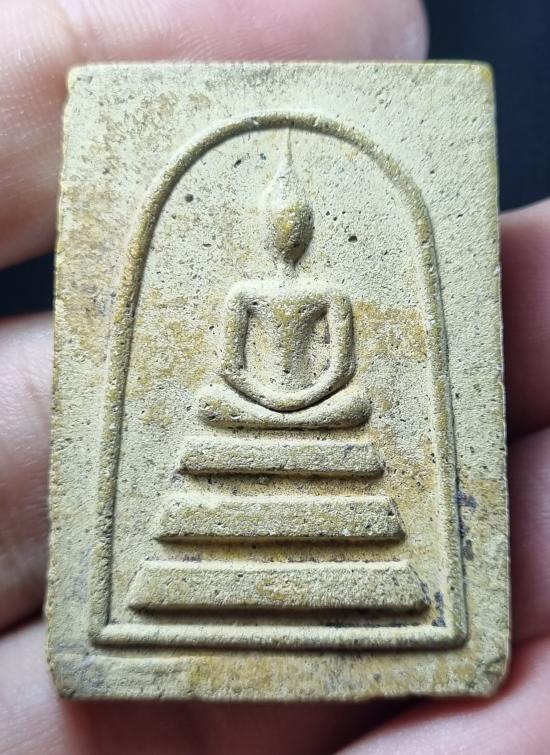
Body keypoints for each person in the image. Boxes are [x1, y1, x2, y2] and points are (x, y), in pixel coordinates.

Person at [0, 1, 548, 752]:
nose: (288, 233)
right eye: (280, 223)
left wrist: (308, 400)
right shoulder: (245, 294)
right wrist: (262, 399)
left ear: (306, 230)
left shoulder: (327, 292)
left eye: (296, 224)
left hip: (323, 410)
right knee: (213, 414)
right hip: (249, 410)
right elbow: (230, 366)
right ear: (268, 228)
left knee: (351, 424)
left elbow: (342, 364)